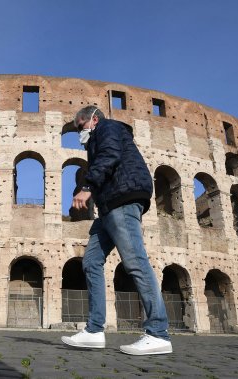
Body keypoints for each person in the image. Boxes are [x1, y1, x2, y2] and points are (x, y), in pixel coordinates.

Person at [61, 106, 172, 355]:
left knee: (135, 261)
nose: (79, 132)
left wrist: (87, 186)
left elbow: (110, 155)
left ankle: (158, 332)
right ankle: (94, 331)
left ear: (93, 119)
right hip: (109, 206)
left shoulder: (108, 128)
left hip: (122, 199)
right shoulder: (97, 137)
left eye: (80, 126)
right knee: (91, 261)